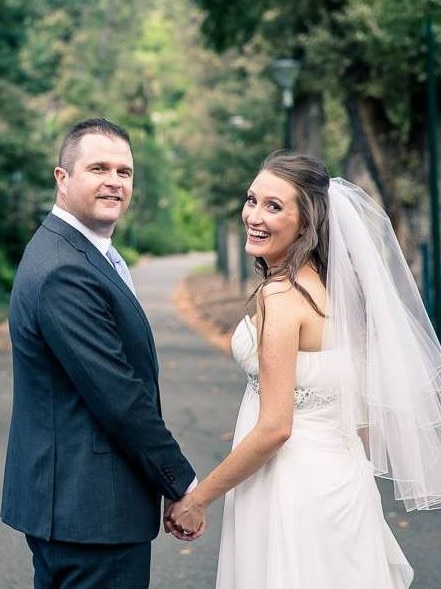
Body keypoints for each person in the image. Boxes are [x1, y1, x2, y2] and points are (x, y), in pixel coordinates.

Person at [166, 152, 441, 588]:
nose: (254, 215)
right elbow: (359, 411)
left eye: (274, 207)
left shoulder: (282, 298)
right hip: (343, 486)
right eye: (252, 200)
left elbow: (275, 427)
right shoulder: (339, 293)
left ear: (306, 221)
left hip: (288, 489)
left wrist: (198, 499)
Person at [1, 118, 204, 588]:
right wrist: (182, 484)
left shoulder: (80, 252)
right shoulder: (63, 270)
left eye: (124, 171)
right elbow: (119, 396)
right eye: (99, 168)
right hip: (90, 510)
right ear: (62, 177)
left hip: (78, 507)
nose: (115, 181)